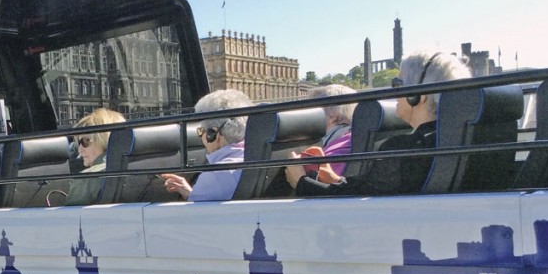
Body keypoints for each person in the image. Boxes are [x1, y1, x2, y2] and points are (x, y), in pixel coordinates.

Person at [286, 50, 471, 196]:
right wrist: (334, 179)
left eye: (397, 84)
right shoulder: (452, 140)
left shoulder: (405, 149)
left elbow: (356, 207)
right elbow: (368, 190)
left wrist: (302, 182)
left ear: (418, 95)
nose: (393, 93)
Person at [160, 89, 253, 201]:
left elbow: (194, 213)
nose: (200, 136)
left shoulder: (216, 174)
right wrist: (190, 193)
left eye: (201, 131)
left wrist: (195, 194)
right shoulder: (255, 157)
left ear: (212, 134)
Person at [64, 108, 126, 206]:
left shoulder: (86, 179)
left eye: (85, 142)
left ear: (103, 139)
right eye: (78, 144)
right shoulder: (140, 168)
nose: (80, 150)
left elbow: (69, 218)